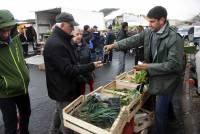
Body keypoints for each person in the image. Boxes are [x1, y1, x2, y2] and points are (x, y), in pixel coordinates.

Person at [104, 6, 185, 134]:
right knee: (163, 106)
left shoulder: (174, 38)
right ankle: (172, 118)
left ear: (162, 20)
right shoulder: (149, 32)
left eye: (152, 21)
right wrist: (114, 45)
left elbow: (175, 65)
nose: (149, 24)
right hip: (155, 75)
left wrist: (148, 67)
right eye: (149, 21)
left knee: (160, 113)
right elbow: (133, 40)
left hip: (167, 81)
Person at [43, 12, 103, 134]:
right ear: (62, 25)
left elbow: (73, 62)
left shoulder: (63, 39)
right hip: (63, 89)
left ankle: (53, 132)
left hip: (65, 88)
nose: (72, 28)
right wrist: (91, 66)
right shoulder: (56, 43)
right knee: (69, 124)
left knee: (59, 113)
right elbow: (68, 69)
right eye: (71, 26)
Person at [0, 10, 31, 134]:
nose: (6, 33)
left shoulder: (16, 37)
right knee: (11, 124)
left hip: (22, 87)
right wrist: (4, 84)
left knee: (26, 113)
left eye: (9, 29)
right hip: (5, 93)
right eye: (2, 30)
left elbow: (21, 58)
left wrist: (26, 71)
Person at [72, 29, 94, 94]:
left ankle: (93, 98)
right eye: (77, 34)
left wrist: (91, 67)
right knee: (81, 89)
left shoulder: (85, 45)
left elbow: (89, 57)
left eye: (80, 34)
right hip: (78, 72)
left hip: (87, 69)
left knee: (91, 84)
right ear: (73, 36)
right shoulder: (71, 46)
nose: (79, 36)